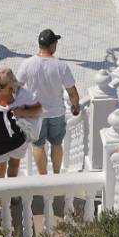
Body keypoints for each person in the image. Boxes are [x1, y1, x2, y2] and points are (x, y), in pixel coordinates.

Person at [16, 28, 80, 174]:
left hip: (35, 114)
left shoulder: (27, 64)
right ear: (52, 45)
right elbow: (72, 92)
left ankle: (43, 178)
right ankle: (56, 174)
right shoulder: (61, 66)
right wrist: (75, 106)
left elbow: (16, 88)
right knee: (57, 144)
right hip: (56, 112)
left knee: (38, 145)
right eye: (56, 42)